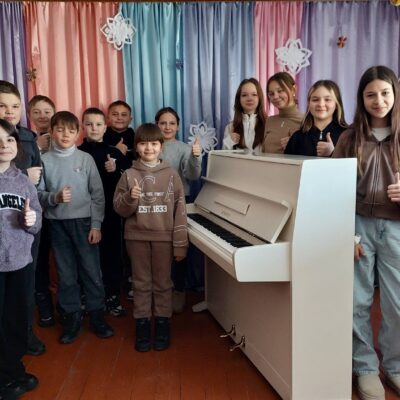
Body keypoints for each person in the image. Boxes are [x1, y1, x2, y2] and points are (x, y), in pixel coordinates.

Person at [333, 65, 400, 400]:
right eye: (371, 94)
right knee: (357, 300)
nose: (379, 100)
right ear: (361, 98)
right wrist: (346, 234)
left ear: (395, 94)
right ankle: (364, 366)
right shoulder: (349, 138)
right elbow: (332, 189)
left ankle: (395, 365)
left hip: (396, 228)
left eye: (385, 93)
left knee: (397, 302)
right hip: (357, 226)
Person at [38, 111, 114, 344]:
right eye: (60, 129)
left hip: (84, 224)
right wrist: (55, 198)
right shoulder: (44, 160)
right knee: (66, 274)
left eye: (71, 130)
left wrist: (96, 225)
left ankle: (97, 316)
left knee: (92, 271)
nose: (65, 134)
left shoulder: (85, 159)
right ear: (51, 132)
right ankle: (71, 318)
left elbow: (98, 195)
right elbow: (38, 194)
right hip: (57, 224)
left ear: (77, 133)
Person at [113, 123, 188, 352]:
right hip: (136, 238)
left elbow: (180, 212)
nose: (149, 148)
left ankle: (163, 324)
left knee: (163, 283)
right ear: (136, 147)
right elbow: (119, 209)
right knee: (141, 283)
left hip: (165, 239)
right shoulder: (129, 175)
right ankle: (143, 325)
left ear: (161, 146)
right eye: (143, 144)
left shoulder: (172, 175)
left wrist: (180, 245)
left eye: (154, 144)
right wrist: (131, 197)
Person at [0, 80, 45, 357]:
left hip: (26, 225)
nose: (9, 112)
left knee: (25, 284)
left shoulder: (28, 138)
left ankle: (24, 334)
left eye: (15, 106)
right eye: (2, 106)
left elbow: (39, 181)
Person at [0, 119, 42, 400]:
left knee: (16, 319)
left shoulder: (24, 181)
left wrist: (31, 220)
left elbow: (36, 223)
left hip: (20, 262)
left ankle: (13, 368)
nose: (4, 145)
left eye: (9, 140)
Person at [79, 107, 128, 317]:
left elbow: (126, 184)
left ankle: (112, 295)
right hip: (83, 214)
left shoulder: (114, 153)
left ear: (105, 127)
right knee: (86, 256)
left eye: (98, 124)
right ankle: (88, 296)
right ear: (82, 126)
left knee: (111, 255)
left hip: (110, 214)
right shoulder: (77, 153)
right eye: (89, 124)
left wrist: (115, 171)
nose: (94, 128)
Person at [155, 107, 202, 313]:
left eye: (172, 123)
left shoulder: (184, 148)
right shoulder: (151, 145)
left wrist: (195, 157)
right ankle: (160, 290)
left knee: (179, 248)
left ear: (178, 126)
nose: (167, 127)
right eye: (163, 123)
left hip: (179, 203)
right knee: (159, 248)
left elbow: (193, 175)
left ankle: (178, 290)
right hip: (155, 204)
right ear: (157, 125)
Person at [27, 95, 56, 329]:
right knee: (39, 259)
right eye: (37, 112)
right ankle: (43, 301)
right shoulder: (24, 141)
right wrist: (37, 147)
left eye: (47, 111)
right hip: (36, 213)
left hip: (61, 211)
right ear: (29, 116)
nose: (43, 116)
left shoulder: (65, 137)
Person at [284, 80, 347, 157]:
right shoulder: (297, 137)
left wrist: (332, 153)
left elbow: (355, 164)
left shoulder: (348, 135)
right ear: (309, 104)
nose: (321, 104)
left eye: (327, 99)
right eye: (315, 100)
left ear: (336, 104)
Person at [262, 72, 304, 153]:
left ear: (293, 90)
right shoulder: (269, 121)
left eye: (280, 91)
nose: (275, 97)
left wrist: (296, 145)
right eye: (271, 94)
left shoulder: (306, 120)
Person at [222, 78, 266, 154]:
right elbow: (223, 157)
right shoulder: (230, 127)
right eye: (244, 95)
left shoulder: (268, 125)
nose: (249, 98)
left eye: (254, 94)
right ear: (239, 99)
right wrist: (229, 142)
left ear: (260, 98)